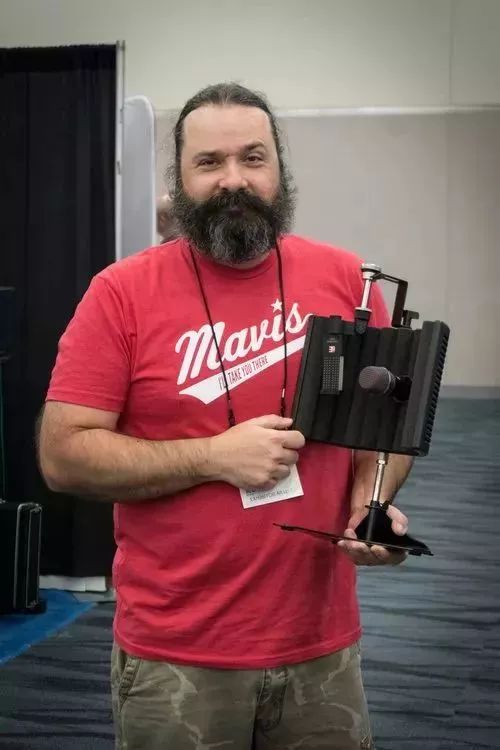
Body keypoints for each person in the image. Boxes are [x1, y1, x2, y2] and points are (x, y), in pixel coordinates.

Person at [39, 82, 413, 750]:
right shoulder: (120, 294)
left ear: (279, 170)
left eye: (252, 157)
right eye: (209, 162)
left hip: (321, 646)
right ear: (180, 179)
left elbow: (383, 431)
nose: (233, 179)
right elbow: (63, 455)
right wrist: (212, 457)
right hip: (177, 655)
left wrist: (371, 502)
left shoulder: (346, 281)